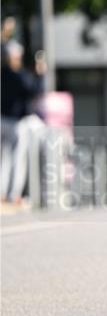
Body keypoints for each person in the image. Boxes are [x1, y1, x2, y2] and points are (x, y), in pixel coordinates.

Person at [1, 40, 46, 205]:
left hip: (2, 120)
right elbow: (35, 90)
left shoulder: (3, 74)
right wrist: (40, 73)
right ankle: (14, 196)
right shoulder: (18, 76)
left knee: (3, 159)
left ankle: (2, 195)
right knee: (17, 160)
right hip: (15, 122)